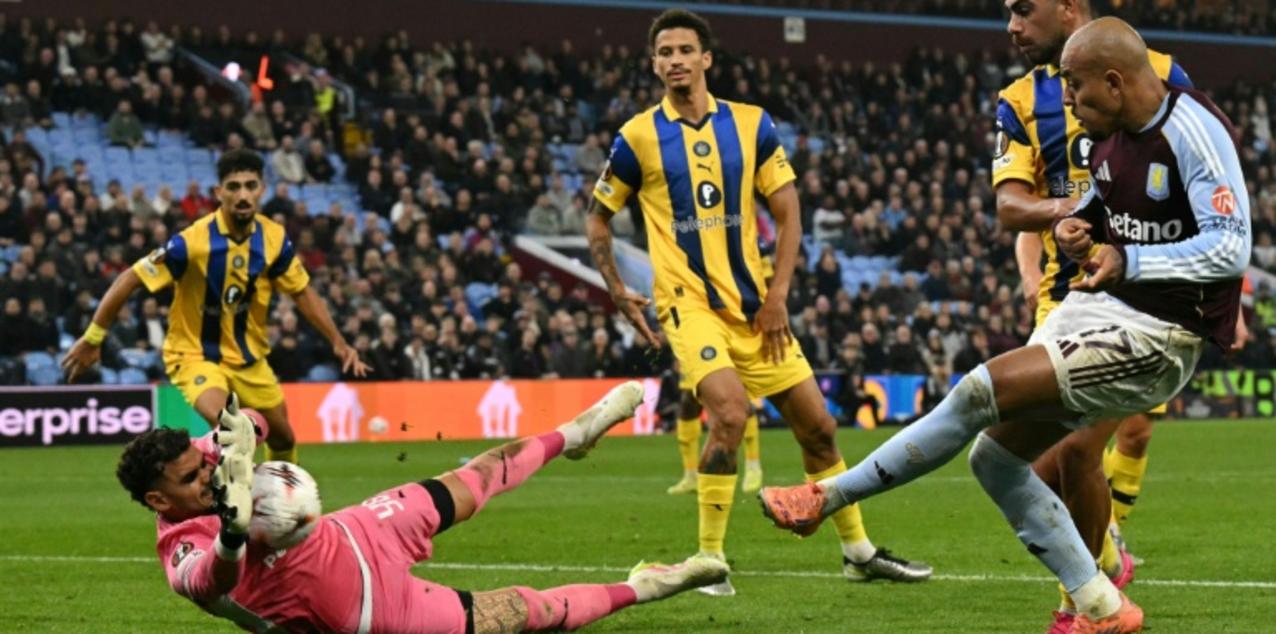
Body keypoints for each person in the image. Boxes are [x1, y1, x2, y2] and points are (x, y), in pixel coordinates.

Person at [762, 18, 1250, 634]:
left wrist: (1129, 259)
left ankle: (827, 496)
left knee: (980, 391)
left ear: (1115, 81)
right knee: (993, 459)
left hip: (1159, 332)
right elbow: (1103, 210)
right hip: (1105, 309)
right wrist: (1077, 226)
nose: (1067, 99)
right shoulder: (1106, 138)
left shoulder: (1192, 128)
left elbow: (1230, 247)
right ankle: (1099, 604)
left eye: (1075, 86)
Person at [587, 8, 930, 595]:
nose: (675, 60)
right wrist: (617, 289)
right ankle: (709, 560)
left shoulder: (751, 124)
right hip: (688, 304)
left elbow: (789, 211)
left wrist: (778, 296)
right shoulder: (637, 137)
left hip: (754, 307)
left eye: (685, 50)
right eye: (665, 52)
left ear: (706, 58)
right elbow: (598, 218)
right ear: (654, 65)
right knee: (728, 413)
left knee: (819, 428)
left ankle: (857, 551)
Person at [119, 383, 728, 632]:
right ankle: (647, 586)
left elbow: (248, 424)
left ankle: (575, 433)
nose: (207, 475)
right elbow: (207, 581)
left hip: (360, 529)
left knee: (476, 476)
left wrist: (241, 430)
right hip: (371, 612)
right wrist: (232, 534)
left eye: (204, 465)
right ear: (158, 500)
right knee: (529, 611)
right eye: (191, 479)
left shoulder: (204, 461)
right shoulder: (182, 547)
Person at [993, 1, 1201, 626]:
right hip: (1065, 298)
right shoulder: (1018, 101)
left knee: (1088, 445)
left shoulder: (1159, 72)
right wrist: (1076, 211)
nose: (1012, 26)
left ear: (1068, 7)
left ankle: (1081, 605)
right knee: (1039, 463)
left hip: (1146, 292)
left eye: (1023, 10)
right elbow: (1010, 207)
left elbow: (1201, 180)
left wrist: (1222, 289)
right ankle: (1107, 556)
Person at [63, 149, 369, 464]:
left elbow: (302, 292)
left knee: (284, 439)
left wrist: (338, 341)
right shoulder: (192, 243)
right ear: (218, 192)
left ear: (262, 190)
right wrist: (93, 337)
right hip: (195, 355)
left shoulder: (274, 239)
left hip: (249, 360)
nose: (243, 195)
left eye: (250, 186)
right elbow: (130, 278)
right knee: (232, 428)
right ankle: (207, 480)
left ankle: (281, 493)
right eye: (234, 187)